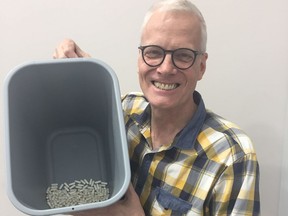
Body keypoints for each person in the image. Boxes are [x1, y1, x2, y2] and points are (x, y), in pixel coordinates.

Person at [54, 0, 260, 215]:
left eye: (183, 55)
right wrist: (78, 67)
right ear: (139, 60)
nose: (165, 68)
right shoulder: (123, 110)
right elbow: (71, 134)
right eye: (153, 52)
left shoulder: (232, 156)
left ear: (201, 66)